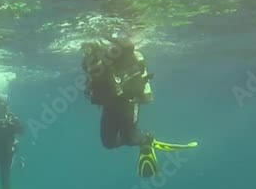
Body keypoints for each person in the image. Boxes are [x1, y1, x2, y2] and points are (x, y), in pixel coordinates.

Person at [81, 34, 198, 177]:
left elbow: (128, 47)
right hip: (110, 105)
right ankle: (137, 139)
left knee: (130, 137)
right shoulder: (90, 62)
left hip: (129, 102)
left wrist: (108, 34)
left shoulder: (117, 57)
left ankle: (146, 140)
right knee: (108, 143)